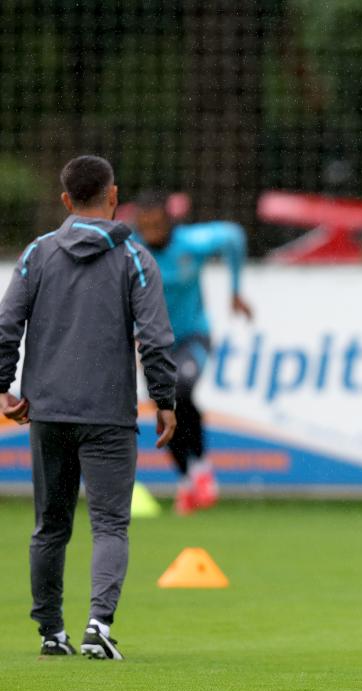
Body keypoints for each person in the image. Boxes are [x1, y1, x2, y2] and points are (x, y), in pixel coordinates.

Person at [0, 155, 177, 659]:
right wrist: (164, 399)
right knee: (110, 524)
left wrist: (2, 387)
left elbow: (7, 325)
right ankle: (98, 625)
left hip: (48, 411)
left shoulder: (37, 254)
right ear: (114, 196)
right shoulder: (134, 258)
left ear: (65, 200)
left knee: (49, 526)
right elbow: (155, 339)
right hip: (108, 415)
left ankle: (50, 632)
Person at [132, 192, 253, 515]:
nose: (151, 231)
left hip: (192, 336)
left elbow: (234, 237)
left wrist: (236, 289)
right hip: (153, 343)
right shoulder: (132, 250)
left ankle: (200, 468)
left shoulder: (190, 243)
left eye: (157, 224)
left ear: (169, 220)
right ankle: (187, 481)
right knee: (163, 408)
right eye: (145, 225)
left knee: (180, 389)